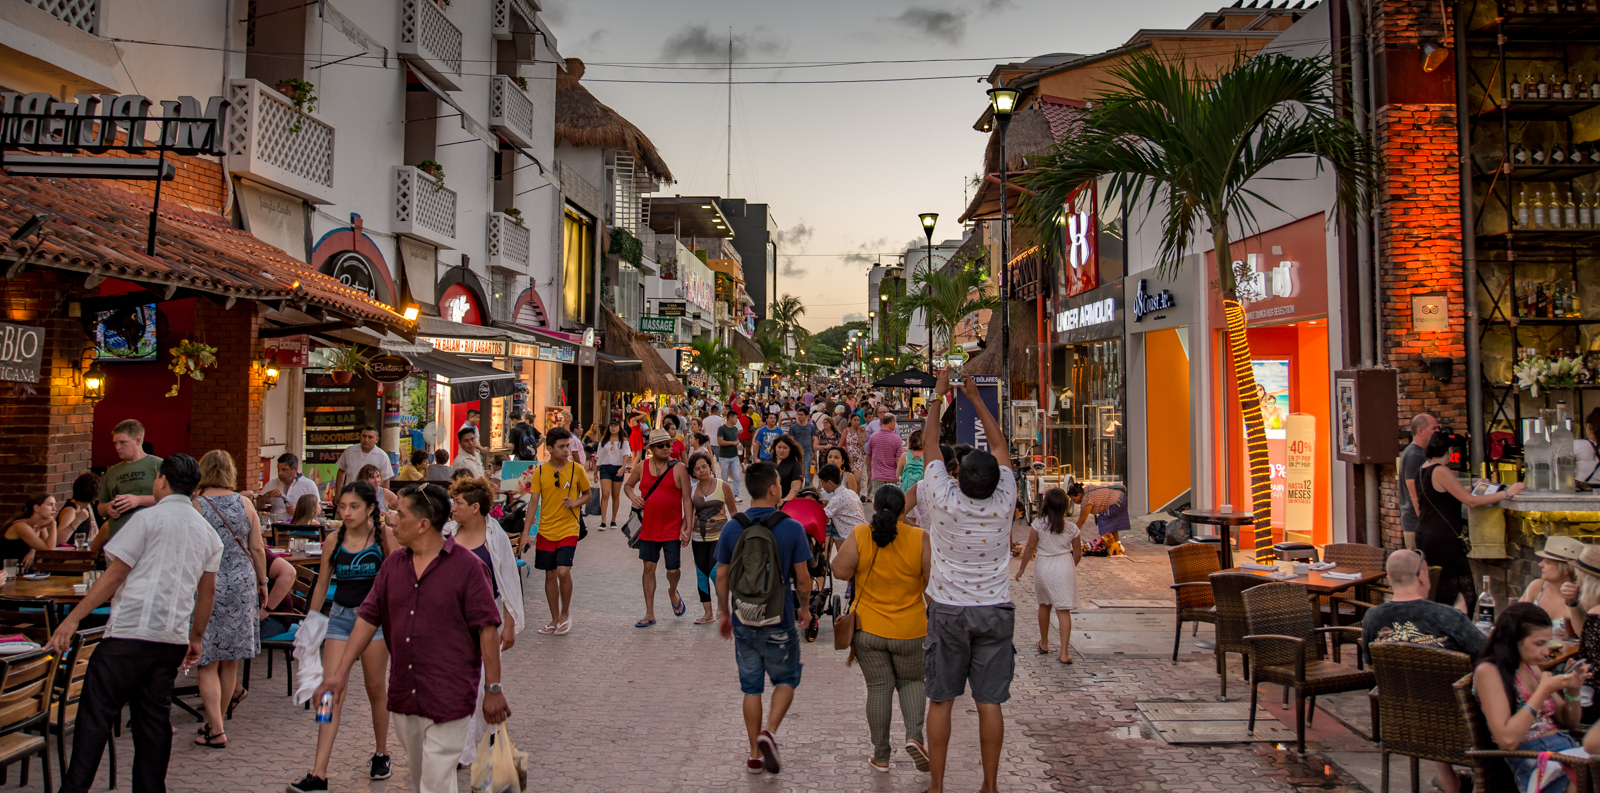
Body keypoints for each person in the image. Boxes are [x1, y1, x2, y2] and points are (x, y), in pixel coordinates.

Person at [315, 484, 508, 793]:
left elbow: (487, 629)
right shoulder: (393, 565)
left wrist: (493, 689)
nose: (392, 520)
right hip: (406, 696)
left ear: (422, 524)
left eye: (400, 514)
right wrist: (338, 674)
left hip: (450, 696)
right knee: (421, 780)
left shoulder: (468, 568)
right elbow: (367, 617)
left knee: (434, 781)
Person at [51, 453, 222, 793]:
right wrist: (197, 637)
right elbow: (207, 594)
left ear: (161, 480)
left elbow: (114, 575)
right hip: (171, 636)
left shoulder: (147, 519)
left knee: (95, 715)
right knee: (153, 721)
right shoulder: (207, 533)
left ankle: (75, 788)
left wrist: (72, 618)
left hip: (130, 631)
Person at [919, 369, 1016, 793]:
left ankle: (938, 785)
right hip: (994, 609)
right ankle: (989, 785)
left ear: (958, 477)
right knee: (989, 702)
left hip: (947, 610)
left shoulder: (941, 497)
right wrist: (976, 399)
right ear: (996, 481)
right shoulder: (1007, 498)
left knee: (941, 699)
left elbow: (928, 446)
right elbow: (1000, 446)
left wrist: (937, 397)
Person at [289, 481, 396, 792]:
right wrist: (313, 620)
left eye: (354, 507)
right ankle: (319, 772)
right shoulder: (334, 539)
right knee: (328, 692)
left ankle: (381, 752)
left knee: (376, 689)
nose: (346, 513)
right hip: (339, 619)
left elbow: (397, 577)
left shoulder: (384, 537)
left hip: (373, 622)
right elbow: (322, 582)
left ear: (371, 509)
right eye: (342, 506)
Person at [715, 462, 813, 775]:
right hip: (779, 619)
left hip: (744, 618)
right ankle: (769, 731)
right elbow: (803, 578)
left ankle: (754, 755)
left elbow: (721, 576)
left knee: (751, 688)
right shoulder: (791, 527)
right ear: (773, 488)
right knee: (786, 679)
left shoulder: (733, 527)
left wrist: (723, 612)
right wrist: (805, 608)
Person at [830, 484, 931, 773]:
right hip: (911, 629)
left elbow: (839, 571)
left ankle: (882, 755)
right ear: (904, 511)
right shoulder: (920, 538)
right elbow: (930, 584)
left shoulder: (861, 535)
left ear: (874, 507)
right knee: (912, 683)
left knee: (878, 689)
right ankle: (914, 736)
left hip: (869, 630)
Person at [443, 476, 524, 767]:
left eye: (459, 503)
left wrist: (510, 622)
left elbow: (508, 579)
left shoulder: (495, 536)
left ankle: (464, 747)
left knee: (477, 686)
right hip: (448, 620)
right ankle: (457, 748)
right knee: (451, 684)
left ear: (475, 507)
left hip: (481, 622)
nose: (453, 508)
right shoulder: (447, 533)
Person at [190, 450, 266, 749]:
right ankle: (216, 723)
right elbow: (257, 548)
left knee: (206, 659)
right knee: (230, 662)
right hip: (241, 583)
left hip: (207, 584)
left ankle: (217, 728)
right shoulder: (244, 503)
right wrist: (262, 582)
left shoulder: (196, 505)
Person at [1472, 602, 1588, 793]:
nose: (1547, 652)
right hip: (1536, 762)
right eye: (1539, 643)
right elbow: (1507, 740)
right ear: (1514, 640)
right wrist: (1542, 692)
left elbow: (1569, 722)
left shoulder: (1530, 666)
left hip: (1565, 751)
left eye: (1547, 643)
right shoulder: (1489, 672)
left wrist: (1573, 692)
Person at [1417, 433, 1525, 610]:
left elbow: (1447, 495)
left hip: (1427, 534)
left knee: (1440, 587)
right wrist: (1508, 493)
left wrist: (1475, 486)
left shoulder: (1423, 468)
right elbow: (1471, 501)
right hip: (1444, 538)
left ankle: (1445, 626)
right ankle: (1457, 628)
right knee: (1462, 590)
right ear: (1449, 450)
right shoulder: (1441, 470)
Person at [523, 426, 590, 636]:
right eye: (561, 447)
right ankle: (553, 618)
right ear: (549, 448)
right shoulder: (540, 472)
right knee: (550, 575)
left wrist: (575, 502)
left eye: (568, 446)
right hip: (545, 530)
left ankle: (565, 613)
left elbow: (587, 494)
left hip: (569, 527)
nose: (566, 450)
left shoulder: (576, 469)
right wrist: (526, 533)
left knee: (563, 571)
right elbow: (533, 503)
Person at [625, 428, 692, 627]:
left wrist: (687, 527)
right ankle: (650, 613)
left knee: (673, 570)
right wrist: (633, 497)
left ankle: (672, 590)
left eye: (668, 445)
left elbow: (687, 500)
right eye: (661, 445)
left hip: (671, 527)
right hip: (648, 526)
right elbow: (628, 486)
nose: (666, 448)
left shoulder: (679, 468)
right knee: (648, 567)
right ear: (652, 448)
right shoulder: (641, 467)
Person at [1015, 488, 1082, 664]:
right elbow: (1078, 553)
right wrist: (1069, 567)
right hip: (1063, 564)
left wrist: (1021, 569)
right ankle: (1064, 653)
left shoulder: (1038, 525)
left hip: (1043, 565)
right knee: (1063, 609)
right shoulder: (1072, 528)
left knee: (1044, 605)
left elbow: (1029, 547)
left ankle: (1044, 643)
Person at [95, 419, 162, 554]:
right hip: (117, 542)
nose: (118, 447)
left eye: (123, 442)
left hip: (150, 543)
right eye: (115, 443)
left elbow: (172, 500)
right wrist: (107, 508)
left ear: (138, 441)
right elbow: (100, 507)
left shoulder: (158, 465)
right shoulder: (113, 471)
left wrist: (138, 500)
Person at [688, 452, 736, 625]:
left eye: (704, 466)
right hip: (698, 538)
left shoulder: (723, 486)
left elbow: (733, 512)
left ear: (710, 467)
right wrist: (685, 531)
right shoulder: (692, 490)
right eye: (697, 469)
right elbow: (688, 513)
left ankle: (723, 608)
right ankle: (708, 613)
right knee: (701, 574)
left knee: (716, 573)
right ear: (693, 473)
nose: (701, 471)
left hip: (720, 537)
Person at [1563, 544, 1600, 723]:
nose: (1577, 584)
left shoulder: (1596, 615)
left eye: (1579, 578)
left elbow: (1592, 671)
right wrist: (1572, 603)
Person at [1523, 536, 1584, 636]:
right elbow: (1514, 620)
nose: (1540, 564)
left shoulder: (1582, 596)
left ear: (1566, 568)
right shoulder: (1537, 587)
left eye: (1547, 562)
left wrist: (1573, 604)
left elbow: (1586, 637)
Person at [1399, 413, 1438, 551]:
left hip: (1418, 523)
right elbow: (1415, 495)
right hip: (1416, 525)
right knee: (1419, 566)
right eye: (1434, 428)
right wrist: (1425, 524)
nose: (1437, 432)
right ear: (1420, 431)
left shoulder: (1418, 453)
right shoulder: (1414, 456)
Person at [1066, 482, 1130, 557]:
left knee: (1103, 519)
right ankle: (1117, 543)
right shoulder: (1087, 490)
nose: (1073, 502)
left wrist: (1072, 535)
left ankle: (1104, 544)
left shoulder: (1087, 500)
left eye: (1073, 499)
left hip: (1116, 501)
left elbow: (1081, 520)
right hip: (1121, 497)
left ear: (1079, 495)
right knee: (1111, 520)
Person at [260, 453, 323, 524]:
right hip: (277, 525)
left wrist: (299, 510)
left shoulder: (309, 484)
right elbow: (256, 506)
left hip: (299, 526)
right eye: (278, 469)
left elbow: (317, 510)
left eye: (284, 470)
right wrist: (267, 495)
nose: (280, 473)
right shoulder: (272, 483)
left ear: (295, 469)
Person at [2, 494, 59, 570]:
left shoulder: (39, 524)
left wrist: (33, 550)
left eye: (54, 505)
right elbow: (49, 551)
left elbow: (47, 549)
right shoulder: (21, 526)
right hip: (7, 573)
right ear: (36, 508)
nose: (55, 508)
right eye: (50, 505)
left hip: (23, 572)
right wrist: (53, 523)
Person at [594, 421, 632, 531]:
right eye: (611, 426)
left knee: (615, 494)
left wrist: (623, 467)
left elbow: (626, 455)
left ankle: (613, 519)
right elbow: (599, 456)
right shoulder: (604, 440)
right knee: (605, 493)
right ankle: (603, 520)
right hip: (605, 467)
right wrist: (596, 471)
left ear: (619, 427)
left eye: (615, 426)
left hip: (618, 468)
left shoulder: (623, 441)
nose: (613, 428)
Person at [819, 464, 865, 550]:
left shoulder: (836, 499)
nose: (822, 486)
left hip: (852, 539)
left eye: (822, 483)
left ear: (829, 482)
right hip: (861, 533)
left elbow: (823, 518)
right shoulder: (851, 493)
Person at [335, 426, 392, 492]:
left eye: (370, 437)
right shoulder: (350, 451)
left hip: (371, 496)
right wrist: (338, 492)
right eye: (364, 436)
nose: (366, 440)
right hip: (351, 493)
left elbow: (386, 480)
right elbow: (341, 470)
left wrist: (384, 498)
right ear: (360, 436)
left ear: (377, 439)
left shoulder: (382, 456)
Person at [864, 413, 903, 498]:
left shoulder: (873, 437)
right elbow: (898, 460)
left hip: (877, 474)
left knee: (878, 499)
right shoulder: (897, 439)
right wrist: (900, 474)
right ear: (892, 422)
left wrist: (870, 470)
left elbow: (868, 456)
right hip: (892, 476)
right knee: (891, 500)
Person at [57, 472, 101, 548]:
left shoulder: (88, 507)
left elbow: (95, 533)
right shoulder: (70, 511)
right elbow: (58, 540)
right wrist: (77, 520)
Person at [715, 406, 743, 497]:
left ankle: (736, 494)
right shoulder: (722, 429)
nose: (737, 420)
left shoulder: (735, 429)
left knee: (737, 477)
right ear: (730, 418)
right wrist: (733, 443)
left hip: (734, 456)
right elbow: (720, 442)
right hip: (724, 456)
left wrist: (739, 445)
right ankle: (724, 495)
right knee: (724, 478)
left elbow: (736, 439)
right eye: (735, 418)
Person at [772, 436, 805, 502]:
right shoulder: (767, 463)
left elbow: (795, 486)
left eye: (785, 448)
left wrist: (786, 499)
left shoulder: (795, 465)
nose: (781, 450)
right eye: (779, 447)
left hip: (786, 503)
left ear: (790, 449)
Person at [789, 409, 816, 487]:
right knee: (798, 472)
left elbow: (813, 440)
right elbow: (791, 441)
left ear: (806, 416)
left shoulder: (811, 427)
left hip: (808, 451)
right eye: (798, 415)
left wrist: (814, 452)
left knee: (807, 472)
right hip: (797, 452)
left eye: (801, 415)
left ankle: (806, 489)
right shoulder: (793, 427)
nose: (799, 416)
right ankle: (799, 489)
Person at [844, 414, 870, 496]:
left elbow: (862, 443)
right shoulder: (846, 431)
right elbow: (841, 444)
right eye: (854, 420)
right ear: (851, 420)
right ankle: (849, 496)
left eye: (858, 420)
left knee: (857, 479)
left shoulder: (862, 430)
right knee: (848, 479)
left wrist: (859, 433)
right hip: (848, 458)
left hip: (858, 457)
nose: (856, 422)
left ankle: (857, 497)